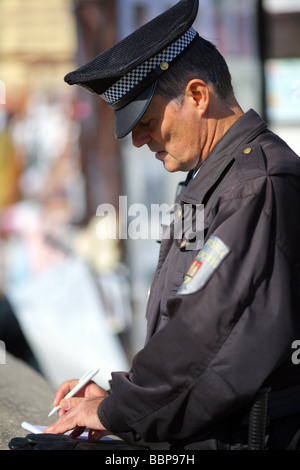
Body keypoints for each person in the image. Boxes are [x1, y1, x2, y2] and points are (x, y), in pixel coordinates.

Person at [44, 0, 300, 450]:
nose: (139, 139)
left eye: (145, 121)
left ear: (198, 96)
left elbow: (203, 330)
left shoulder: (252, 184)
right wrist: (121, 398)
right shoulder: (220, 176)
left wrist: (115, 410)